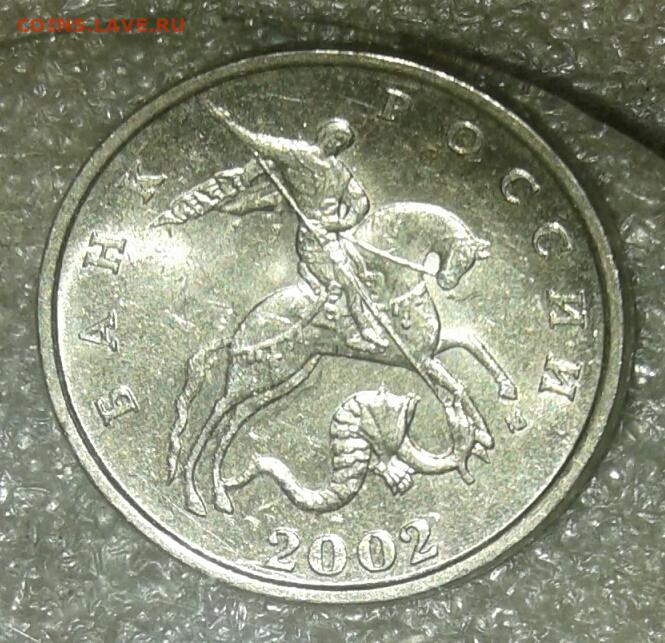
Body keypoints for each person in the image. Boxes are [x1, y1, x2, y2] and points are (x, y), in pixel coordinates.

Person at [207, 102, 389, 351]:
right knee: (346, 280)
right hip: (311, 239)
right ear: (324, 134)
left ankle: (362, 323)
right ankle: (358, 329)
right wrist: (227, 122)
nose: (336, 143)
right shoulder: (298, 154)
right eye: (335, 137)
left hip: (331, 237)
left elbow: (361, 203)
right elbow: (258, 142)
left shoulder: (339, 171)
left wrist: (339, 224)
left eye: (342, 142)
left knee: (358, 274)